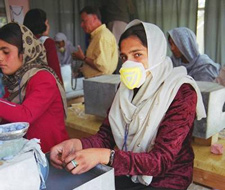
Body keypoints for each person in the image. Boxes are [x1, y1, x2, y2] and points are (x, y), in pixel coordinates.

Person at [50, 20, 206, 190]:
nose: (128, 64)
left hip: (167, 179)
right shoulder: (125, 88)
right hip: (131, 171)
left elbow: (161, 160)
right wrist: (77, 145)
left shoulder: (180, 91)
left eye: (137, 54)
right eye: (124, 57)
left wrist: (105, 156)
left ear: (156, 54)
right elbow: (106, 136)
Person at [0, 23, 69, 153]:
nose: (0, 57)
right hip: (28, 153)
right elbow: (7, 117)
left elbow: (26, 115)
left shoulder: (43, 77)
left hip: (51, 155)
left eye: (6, 52)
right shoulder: (14, 81)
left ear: (24, 51)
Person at [72, 6, 118, 79]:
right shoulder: (97, 36)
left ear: (94, 18)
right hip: (96, 81)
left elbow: (103, 66)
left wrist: (83, 58)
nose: (81, 25)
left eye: (84, 21)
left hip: (100, 81)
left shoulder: (102, 36)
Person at [23, 8, 63, 83]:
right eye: (47, 23)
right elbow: (55, 70)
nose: (48, 26)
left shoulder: (23, 42)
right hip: (45, 85)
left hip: (27, 85)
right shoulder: (47, 42)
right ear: (42, 24)